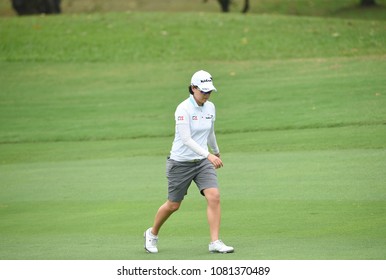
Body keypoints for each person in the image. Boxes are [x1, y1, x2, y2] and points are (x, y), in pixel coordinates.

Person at [144, 70, 234, 254]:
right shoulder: (183, 109)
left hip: (201, 162)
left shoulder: (210, 107)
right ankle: (152, 234)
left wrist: (216, 151)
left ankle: (215, 242)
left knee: (214, 196)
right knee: (173, 205)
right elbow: (186, 139)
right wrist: (209, 155)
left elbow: (210, 132)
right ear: (193, 88)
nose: (206, 95)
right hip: (180, 163)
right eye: (203, 91)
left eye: (209, 92)